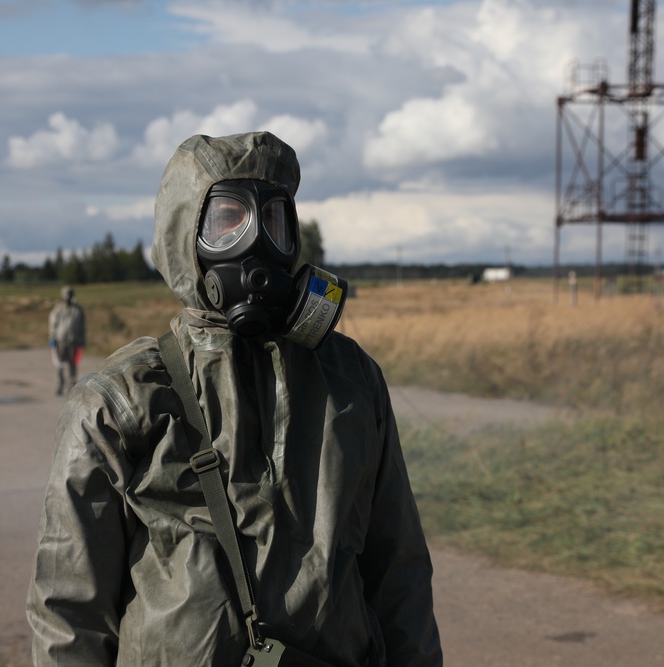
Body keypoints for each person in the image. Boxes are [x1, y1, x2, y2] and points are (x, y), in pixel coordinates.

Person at [27, 132, 442, 666]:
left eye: (274, 221)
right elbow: (69, 610)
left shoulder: (351, 382)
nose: (257, 242)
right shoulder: (121, 403)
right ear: (184, 235)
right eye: (228, 221)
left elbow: (400, 574)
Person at [48, 285, 87, 395]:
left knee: (73, 364)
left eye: (70, 294)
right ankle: (60, 385)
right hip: (60, 340)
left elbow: (82, 326)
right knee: (59, 364)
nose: (68, 297)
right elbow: (53, 324)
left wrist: (82, 338)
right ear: (63, 296)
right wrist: (52, 337)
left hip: (73, 341)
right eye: (66, 295)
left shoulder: (78, 310)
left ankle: (72, 386)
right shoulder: (58, 310)